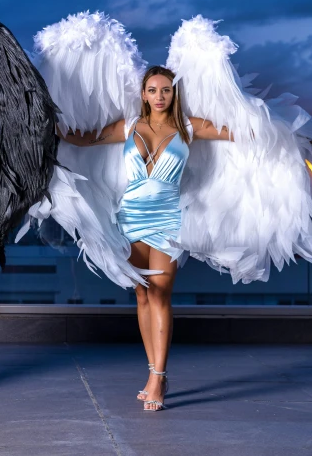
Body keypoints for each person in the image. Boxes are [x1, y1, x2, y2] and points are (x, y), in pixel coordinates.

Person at [59, 66, 234, 411]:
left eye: (165, 90)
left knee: (161, 294)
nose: (159, 96)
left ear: (174, 93)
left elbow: (242, 132)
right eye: (152, 90)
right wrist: (43, 126)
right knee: (142, 295)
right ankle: (154, 371)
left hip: (168, 219)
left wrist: (288, 138)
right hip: (132, 218)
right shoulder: (128, 127)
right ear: (143, 94)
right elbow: (83, 138)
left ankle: (159, 377)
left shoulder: (188, 127)